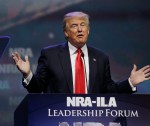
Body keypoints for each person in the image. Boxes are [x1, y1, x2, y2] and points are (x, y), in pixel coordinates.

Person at [12, 11, 150, 94]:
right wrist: (27, 74)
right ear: (66, 33)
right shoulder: (50, 55)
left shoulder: (100, 58)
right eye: (74, 26)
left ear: (88, 30)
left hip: (92, 123)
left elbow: (109, 91)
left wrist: (130, 82)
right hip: (57, 121)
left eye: (83, 25)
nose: (80, 29)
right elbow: (37, 89)